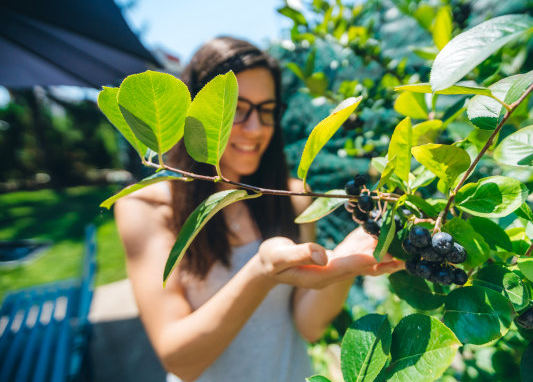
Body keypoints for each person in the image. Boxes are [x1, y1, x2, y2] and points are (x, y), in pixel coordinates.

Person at [114, 36, 403, 382]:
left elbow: (308, 326)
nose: (255, 129)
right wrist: (260, 273)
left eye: (266, 110)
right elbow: (180, 361)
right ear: (193, 112)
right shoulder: (147, 208)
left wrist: (341, 268)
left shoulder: (292, 197)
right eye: (236, 109)